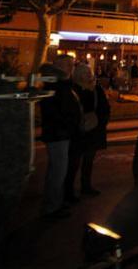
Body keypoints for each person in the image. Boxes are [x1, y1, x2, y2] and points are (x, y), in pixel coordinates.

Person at [39, 55, 82, 218]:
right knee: (57, 172)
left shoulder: (62, 83)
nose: (70, 68)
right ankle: (51, 208)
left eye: (71, 65)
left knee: (57, 171)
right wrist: (69, 125)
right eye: (66, 65)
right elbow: (57, 111)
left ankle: (55, 203)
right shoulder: (55, 83)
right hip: (58, 134)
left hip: (62, 133)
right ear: (57, 65)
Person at [66, 63, 111, 198]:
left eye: (89, 73)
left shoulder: (97, 88)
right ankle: (68, 191)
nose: (89, 75)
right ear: (78, 74)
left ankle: (86, 186)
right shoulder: (73, 89)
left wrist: (101, 122)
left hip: (93, 130)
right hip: (78, 131)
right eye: (85, 73)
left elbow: (105, 107)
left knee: (88, 161)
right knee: (73, 163)